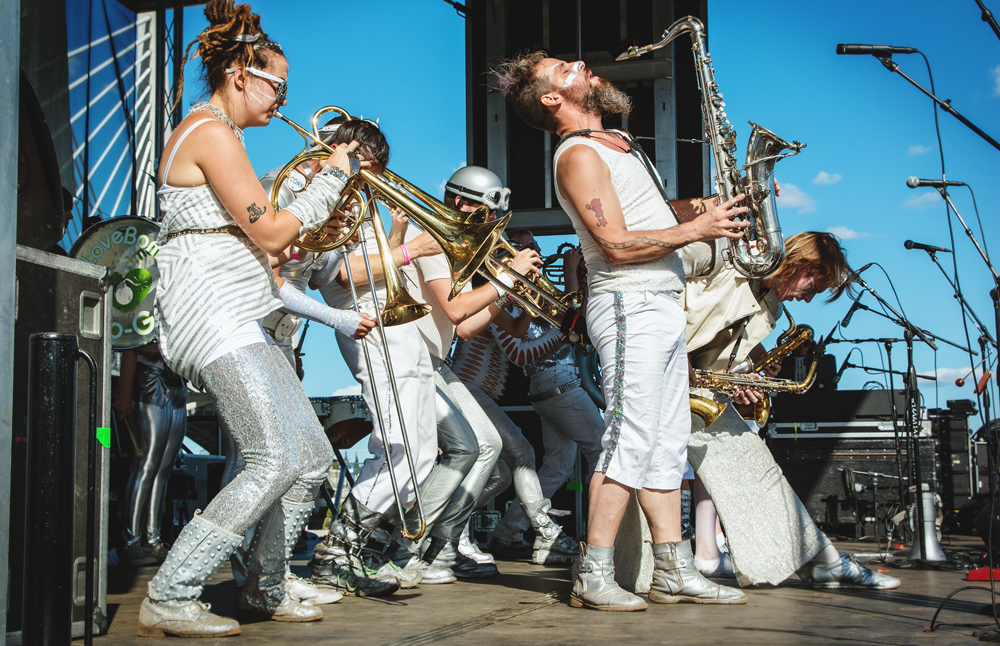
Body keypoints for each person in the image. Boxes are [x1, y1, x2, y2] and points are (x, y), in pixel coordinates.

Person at [493, 50, 749, 611]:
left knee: (667, 442)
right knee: (628, 439)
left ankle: (673, 570)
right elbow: (614, 245)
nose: (581, 63)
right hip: (630, 303)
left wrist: (706, 207)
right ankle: (595, 572)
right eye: (565, 68)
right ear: (552, 99)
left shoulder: (617, 143)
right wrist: (700, 229)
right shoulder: (578, 155)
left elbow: (646, 216)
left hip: (662, 301)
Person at [139, 0, 363, 636]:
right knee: (271, 457)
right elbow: (270, 233)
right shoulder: (209, 132)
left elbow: (272, 244)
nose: (283, 100)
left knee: (311, 456)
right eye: (277, 86)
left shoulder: (224, 137)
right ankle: (171, 591)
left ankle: (265, 586)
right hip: (210, 311)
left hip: (242, 310)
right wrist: (330, 180)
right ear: (241, 74)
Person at [684, 231, 900, 590]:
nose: (809, 298)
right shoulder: (733, 270)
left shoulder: (772, 302)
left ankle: (712, 555)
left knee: (749, 470)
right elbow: (685, 319)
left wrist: (747, 370)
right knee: (757, 473)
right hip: (670, 377)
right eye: (813, 286)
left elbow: (719, 347)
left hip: (693, 385)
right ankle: (827, 561)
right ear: (802, 265)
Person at [309, 124, 449, 596]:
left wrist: (397, 234)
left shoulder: (360, 200)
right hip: (368, 322)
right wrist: (411, 249)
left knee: (422, 452)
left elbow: (378, 265)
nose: (373, 177)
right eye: (366, 166)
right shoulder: (327, 198)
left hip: (397, 322)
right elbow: (339, 276)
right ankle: (336, 552)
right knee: (398, 445)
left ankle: (360, 549)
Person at [389, 165, 543, 579]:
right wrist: (508, 278)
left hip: (435, 361)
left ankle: (441, 546)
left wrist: (512, 292)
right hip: (417, 359)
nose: (491, 223)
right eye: (486, 213)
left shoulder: (455, 249)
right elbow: (457, 312)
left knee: (490, 449)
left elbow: (466, 328)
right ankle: (414, 545)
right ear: (459, 202)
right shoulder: (433, 237)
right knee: (475, 449)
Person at [487, 230, 605, 558]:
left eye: (536, 245)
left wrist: (579, 280)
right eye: (530, 245)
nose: (539, 250)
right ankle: (604, 539)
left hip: (553, 389)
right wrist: (570, 275)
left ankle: (509, 532)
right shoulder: (516, 292)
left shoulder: (536, 288)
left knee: (557, 468)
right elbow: (570, 325)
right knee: (603, 451)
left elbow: (574, 319)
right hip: (558, 385)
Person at [114, 343, 188, 567]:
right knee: (146, 466)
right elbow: (130, 343)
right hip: (149, 376)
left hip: (177, 382)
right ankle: (130, 542)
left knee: (163, 470)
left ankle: (152, 540)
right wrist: (124, 393)